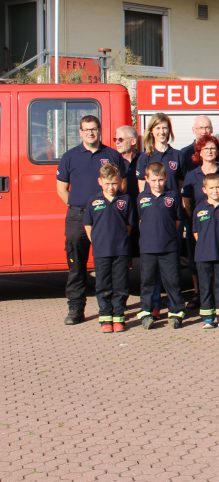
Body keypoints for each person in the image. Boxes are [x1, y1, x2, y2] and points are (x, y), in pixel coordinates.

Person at [56, 114, 127, 325]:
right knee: (76, 265)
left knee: (110, 265)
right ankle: (76, 309)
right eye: (86, 129)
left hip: (108, 217)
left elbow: (121, 187)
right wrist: (82, 209)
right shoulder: (70, 157)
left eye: (94, 128)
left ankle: (114, 310)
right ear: (80, 132)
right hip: (78, 216)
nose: (90, 132)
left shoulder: (112, 155)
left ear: (100, 130)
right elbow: (61, 189)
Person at [83, 163, 134, 333]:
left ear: (119, 182)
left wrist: (119, 240)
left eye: (114, 183)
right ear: (100, 182)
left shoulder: (125, 200)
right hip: (101, 251)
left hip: (120, 250)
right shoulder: (93, 201)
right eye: (107, 183)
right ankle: (105, 317)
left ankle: (119, 317)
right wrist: (97, 241)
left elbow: (129, 225)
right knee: (103, 285)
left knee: (120, 285)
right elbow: (88, 225)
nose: (111, 187)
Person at [137, 162, 185, 329]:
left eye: (161, 180)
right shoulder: (141, 198)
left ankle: (176, 313)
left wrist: (168, 235)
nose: (157, 184)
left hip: (168, 248)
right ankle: (147, 313)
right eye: (154, 180)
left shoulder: (172, 197)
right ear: (147, 179)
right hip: (148, 248)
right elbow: (139, 220)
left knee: (172, 281)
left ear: (166, 179)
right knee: (148, 282)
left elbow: (178, 220)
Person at [192, 173, 219, 329]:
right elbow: (196, 232)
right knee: (205, 286)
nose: (215, 191)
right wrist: (206, 245)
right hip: (203, 255)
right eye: (211, 188)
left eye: (218, 187)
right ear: (204, 190)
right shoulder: (199, 209)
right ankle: (208, 317)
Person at [136, 113, 187, 195]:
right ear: (151, 131)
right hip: (152, 206)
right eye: (158, 128)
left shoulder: (178, 155)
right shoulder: (145, 157)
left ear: (169, 130)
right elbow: (142, 188)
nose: (162, 132)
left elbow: (181, 185)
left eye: (164, 128)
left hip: (173, 205)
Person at [114, 125, 141, 202]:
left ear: (133, 141)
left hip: (141, 206)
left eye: (120, 139)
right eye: (115, 139)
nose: (117, 142)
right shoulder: (113, 161)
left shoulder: (144, 159)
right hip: (121, 207)